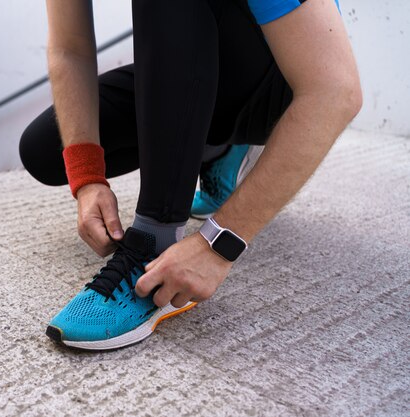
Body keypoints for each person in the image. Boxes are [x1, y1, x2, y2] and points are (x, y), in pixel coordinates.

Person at [19, 0, 361, 350]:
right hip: (198, 64)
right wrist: (88, 177)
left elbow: (335, 92)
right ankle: (217, 150)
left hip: (278, 83)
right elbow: (68, 49)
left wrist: (217, 244)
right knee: (44, 150)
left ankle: (154, 240)